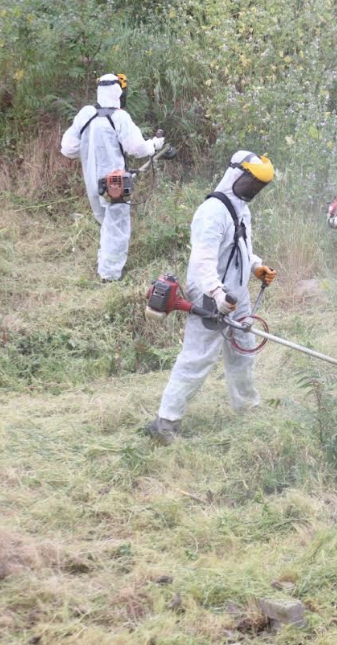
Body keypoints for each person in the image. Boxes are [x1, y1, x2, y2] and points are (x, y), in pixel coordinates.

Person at [146, 152, 277, 442]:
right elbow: (202, 262)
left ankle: (246, 406)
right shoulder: (212, 212)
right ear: (235, 175)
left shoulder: (241, 208)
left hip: (237, 295)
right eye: (251, 182)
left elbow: (240, 247)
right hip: (210, 295)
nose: (253, 190)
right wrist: (217, 293)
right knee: (198, 358)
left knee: (243, 352)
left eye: (259, 186)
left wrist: (256, 267)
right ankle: (166, 422)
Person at [60, 73, 164, 281]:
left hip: (91, 181)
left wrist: (91, 151)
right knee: (117, 225)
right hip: (115, 181)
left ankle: (104, 263)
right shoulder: (119, 117)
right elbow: (137, 148)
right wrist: (155, 144)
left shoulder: (86, 114)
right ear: (119, 92)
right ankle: (109, 275)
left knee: (105, 222)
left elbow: (68, 148)